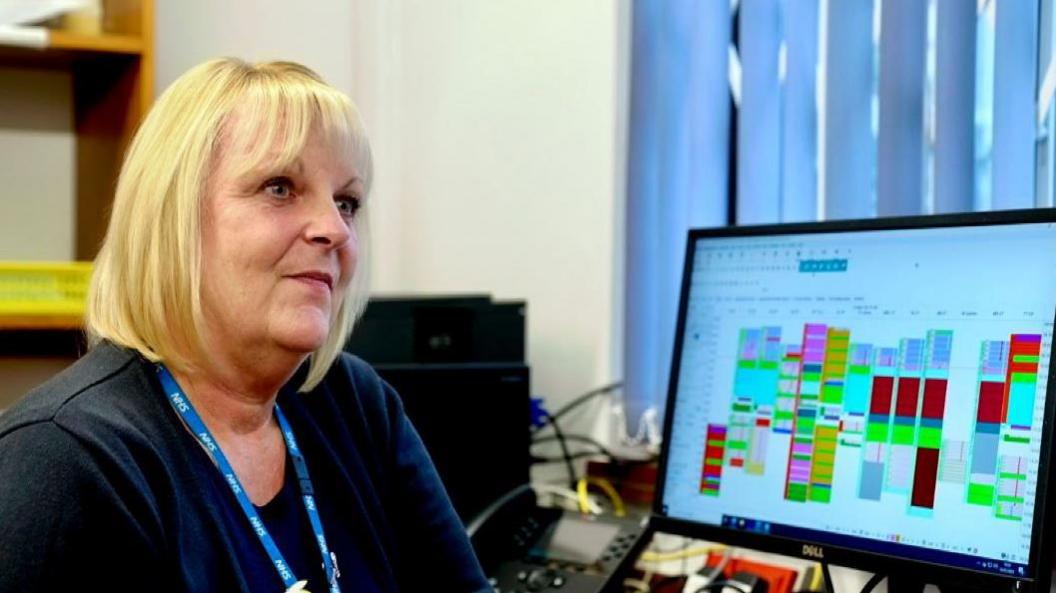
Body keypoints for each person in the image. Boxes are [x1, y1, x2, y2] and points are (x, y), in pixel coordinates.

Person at [0, 58, 491, 593]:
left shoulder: (357, 405)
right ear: (174, 218)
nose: (334, 230)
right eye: (280, 188)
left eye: (346, 202)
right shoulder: (64, 462)